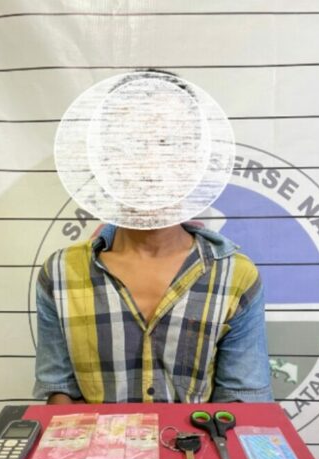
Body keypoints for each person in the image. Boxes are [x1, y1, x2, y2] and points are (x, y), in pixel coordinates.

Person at [33, 69, 272, 404]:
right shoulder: (60, 274)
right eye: (131, 144)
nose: (149, 164)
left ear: (194, 158)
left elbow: (243, 401)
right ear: (104, 158)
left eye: (168, 143)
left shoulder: (235, 275)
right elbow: (59, 392)